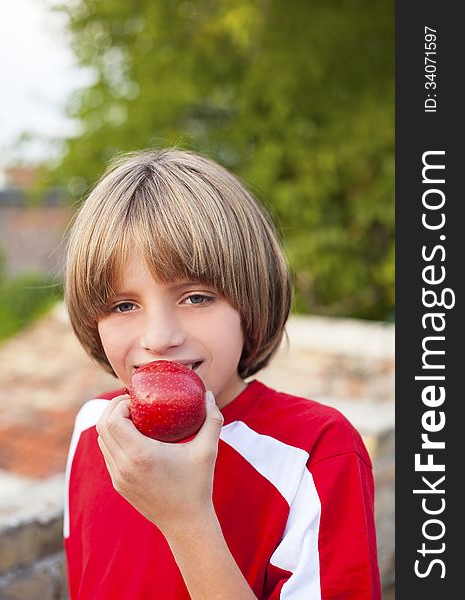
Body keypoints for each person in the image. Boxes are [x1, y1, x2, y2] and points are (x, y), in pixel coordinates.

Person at [63, 149, 381, 599]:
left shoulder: (316, 453)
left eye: (195, 297)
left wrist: (186, 520)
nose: (159, 337)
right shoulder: (94, 427)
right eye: (123, 305)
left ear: (248, 301)